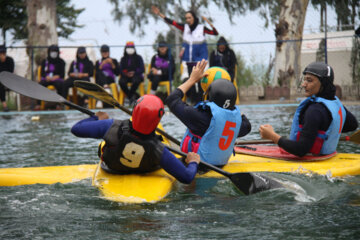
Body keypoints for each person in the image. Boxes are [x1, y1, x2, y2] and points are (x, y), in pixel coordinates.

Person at [71, 95, 200, 184]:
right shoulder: (159, 150)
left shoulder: (112, 126)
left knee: (105, 143)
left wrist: (96, 118)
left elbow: (76, 129)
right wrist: (193, 162)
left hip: (113, 168)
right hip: (146, 167)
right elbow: (187, 177)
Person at [259, 62, 358, 157]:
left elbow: (301, 150)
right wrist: (325, 132)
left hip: (310, 160)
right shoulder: (335, 102)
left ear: (323, 84)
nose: (304, 84)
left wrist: (272, 136)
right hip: (328, 156)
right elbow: (353, 125)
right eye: (304, 80)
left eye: (309, 80)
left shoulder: (315, 110)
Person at [166, 59, 251, 166]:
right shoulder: (239, 123)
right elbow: (248, 126)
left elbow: (172, 100)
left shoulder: (199, 117)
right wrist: (231, 106)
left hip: (196, 167)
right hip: (220, 165)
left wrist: (191, 80)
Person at [152, 6, 218, 103]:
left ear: (194, 18)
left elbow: (215, 33)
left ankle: (204, 102)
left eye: (189, 18)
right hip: (188, 61)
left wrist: (209, 23)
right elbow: (172, 22)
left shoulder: (201, 28)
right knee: (187, 81)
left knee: (202, 83)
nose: (187, 20)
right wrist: (160, 14)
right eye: (186, 18)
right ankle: (192, 102)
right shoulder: (185, 28)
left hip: (201, 61)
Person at [0, 45, 14, 112]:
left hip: (8, 81)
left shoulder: (10, 60)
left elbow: (10, 73)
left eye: (3, 53)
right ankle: (5, 106)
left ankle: (5, 106)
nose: (2, 55)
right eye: (1, 54)